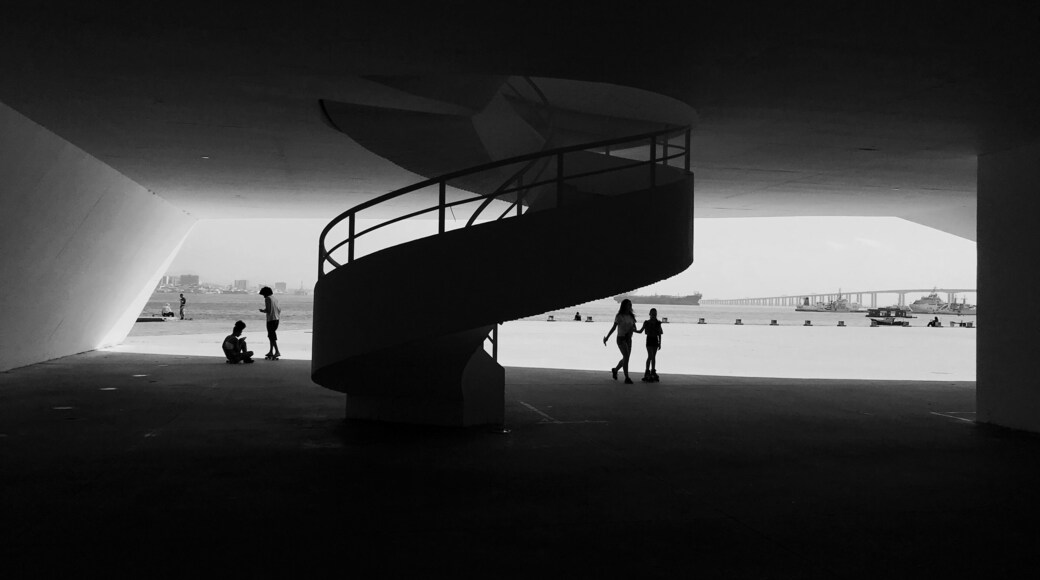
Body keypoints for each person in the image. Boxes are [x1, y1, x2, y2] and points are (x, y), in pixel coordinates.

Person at [603, 298, 637, 384]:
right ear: (624, 306)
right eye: (628, 305)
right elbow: (614, 328)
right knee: (626, 357)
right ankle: (627, 377)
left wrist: (633, 330)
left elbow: (634, 328)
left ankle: (615, 370)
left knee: (626, 358)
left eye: (630, 305)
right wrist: (607, 337)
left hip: (629, 339)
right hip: (621, 338)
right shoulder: (619, 316)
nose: (629, 306)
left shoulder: (631, 316)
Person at [635, 308, 663, 382]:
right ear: (649, 314)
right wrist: (633, 330)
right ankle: (647, 371)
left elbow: (659, 333)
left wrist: (660, 343)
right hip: (649, 340)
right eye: (652, 314)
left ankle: (653, 371)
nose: (654, 315)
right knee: (650, 356)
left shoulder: (658, 323)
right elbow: (640, 331)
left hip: (655, 340)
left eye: (655, 314)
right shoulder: (646, 322)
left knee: (653, 357)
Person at [258, 286, 282, 360]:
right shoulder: (275, 298)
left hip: (271, 319)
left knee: (271, 336)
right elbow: (279, 309)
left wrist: (263, 311)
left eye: (263, 294)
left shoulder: (267, 298)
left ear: (265, 293)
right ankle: (271, 351)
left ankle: (277, 351)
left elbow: (268, 310)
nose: (263, 296)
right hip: (276, 319)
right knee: (271, 335)